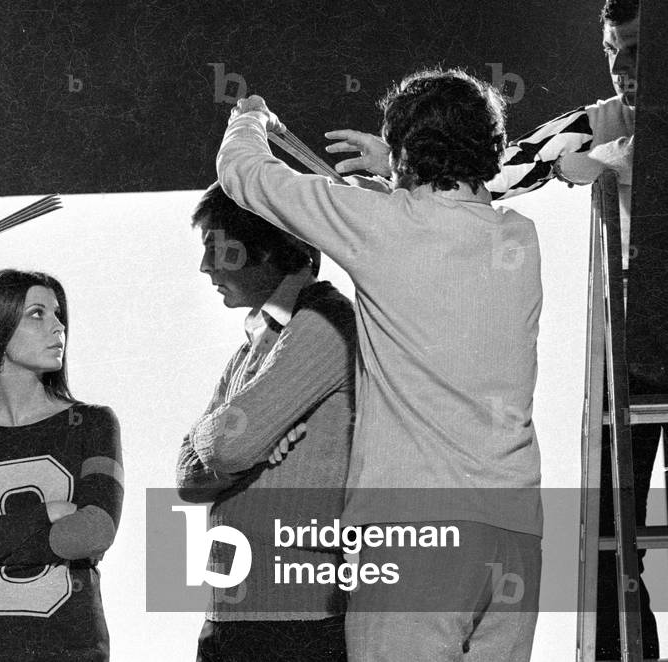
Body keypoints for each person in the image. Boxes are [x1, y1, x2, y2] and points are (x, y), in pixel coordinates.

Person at [323, 2, 658, 656]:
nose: (625, 72)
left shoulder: (624, 137)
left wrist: (617, 160)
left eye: (640, 54)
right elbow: (496, 169)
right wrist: (404, 163)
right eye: (614, 55)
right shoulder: (598, 122)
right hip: (638, 364)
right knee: (611, 549)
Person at [217, 69, 543, 661]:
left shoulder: (383, 228)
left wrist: (250, 120)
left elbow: (245, 176)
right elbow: (447, 211)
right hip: (514, 531)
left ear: (408, 157)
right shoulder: (519, 239)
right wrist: (402, 167)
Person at [176, 184, 356, 661]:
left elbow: (228, 450)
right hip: (234, 616)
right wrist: (243, 440)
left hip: (294, 618)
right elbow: (187, 479)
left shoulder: (324, 323)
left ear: (265, 246)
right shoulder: (253, 344)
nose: (206, 267)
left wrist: (233, 443)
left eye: (217, 249)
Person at [0, 269, 123, 662]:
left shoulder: (93, 424)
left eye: (59, 314)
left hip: (69, 646)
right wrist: (48, 513)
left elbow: (93, 533)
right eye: (38, 314)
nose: (58, 327)